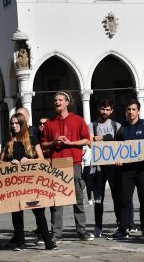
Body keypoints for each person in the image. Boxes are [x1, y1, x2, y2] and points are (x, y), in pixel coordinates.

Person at [40, 91, 94, 242]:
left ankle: (81, 231)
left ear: (67, 103)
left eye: (60, 100)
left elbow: (86, 140)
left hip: (74, 163)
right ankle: (56, 233)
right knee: (57, 201)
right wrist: (54, 142)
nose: (57, 102)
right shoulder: (49, 123)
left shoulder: (77, 120)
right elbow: (43, 144)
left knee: (78, 198)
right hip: (56, 165)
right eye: (55, 100)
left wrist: (70, 143)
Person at [0, 113, 57, 251]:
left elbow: (42, 160)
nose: (14, 126)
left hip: (31, 182)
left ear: (22, 124)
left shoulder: (32, 139)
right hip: (14, 182)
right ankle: (20, 241)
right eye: (12, 124)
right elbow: (0, 161)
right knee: (17, 212)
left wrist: (29, 160)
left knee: (38, 212)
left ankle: (48, 242)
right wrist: (10, 162)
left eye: (16, 123)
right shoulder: (8, 141)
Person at [109, 99, 144, 239]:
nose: (131, 112)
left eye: (133, 109)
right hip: (126, 171)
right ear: (125, 111)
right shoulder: (121, 129)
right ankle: (124, 228)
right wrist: (116, 160)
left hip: (142, 169)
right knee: (125, 199)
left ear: (138, 111)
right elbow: (116, 149)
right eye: (128, 109)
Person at [89, 99, 122, 238]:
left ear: (112, 111)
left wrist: (101, 138)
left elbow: (121, 144)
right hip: (98, 167)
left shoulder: (117, 125)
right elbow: (90, 143)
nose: (105, 112)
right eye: (103, 109)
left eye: (108, 109)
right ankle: (98, 226)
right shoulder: (92, 125)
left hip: (114, 166)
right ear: (99, 109)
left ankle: (120, 223)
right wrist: (105, 138)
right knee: (98, 198)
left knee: (116, 196)